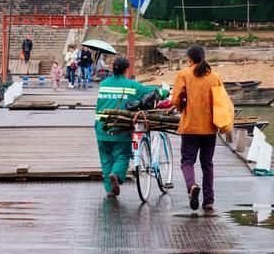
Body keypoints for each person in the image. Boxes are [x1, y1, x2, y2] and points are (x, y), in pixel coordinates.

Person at [95, 57, 168, 197]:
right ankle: (116, 175)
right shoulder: (130, 85)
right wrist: (166, 92)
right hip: (119, 127)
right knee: (122, 154)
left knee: (106, 158)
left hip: (100, 127)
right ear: (126, 70)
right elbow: (150, 91)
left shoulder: (103, 84)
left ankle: (110, 189)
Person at [171, 44, 221, 211]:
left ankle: (191, 186)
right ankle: (209, 200)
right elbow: (220, 101)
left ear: (189, 59)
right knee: (207, 163)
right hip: (210, 127)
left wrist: (181, 108)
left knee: (187, 161)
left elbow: (176, 99)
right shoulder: (214, 77)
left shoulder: (183, 74)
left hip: (190, 126)